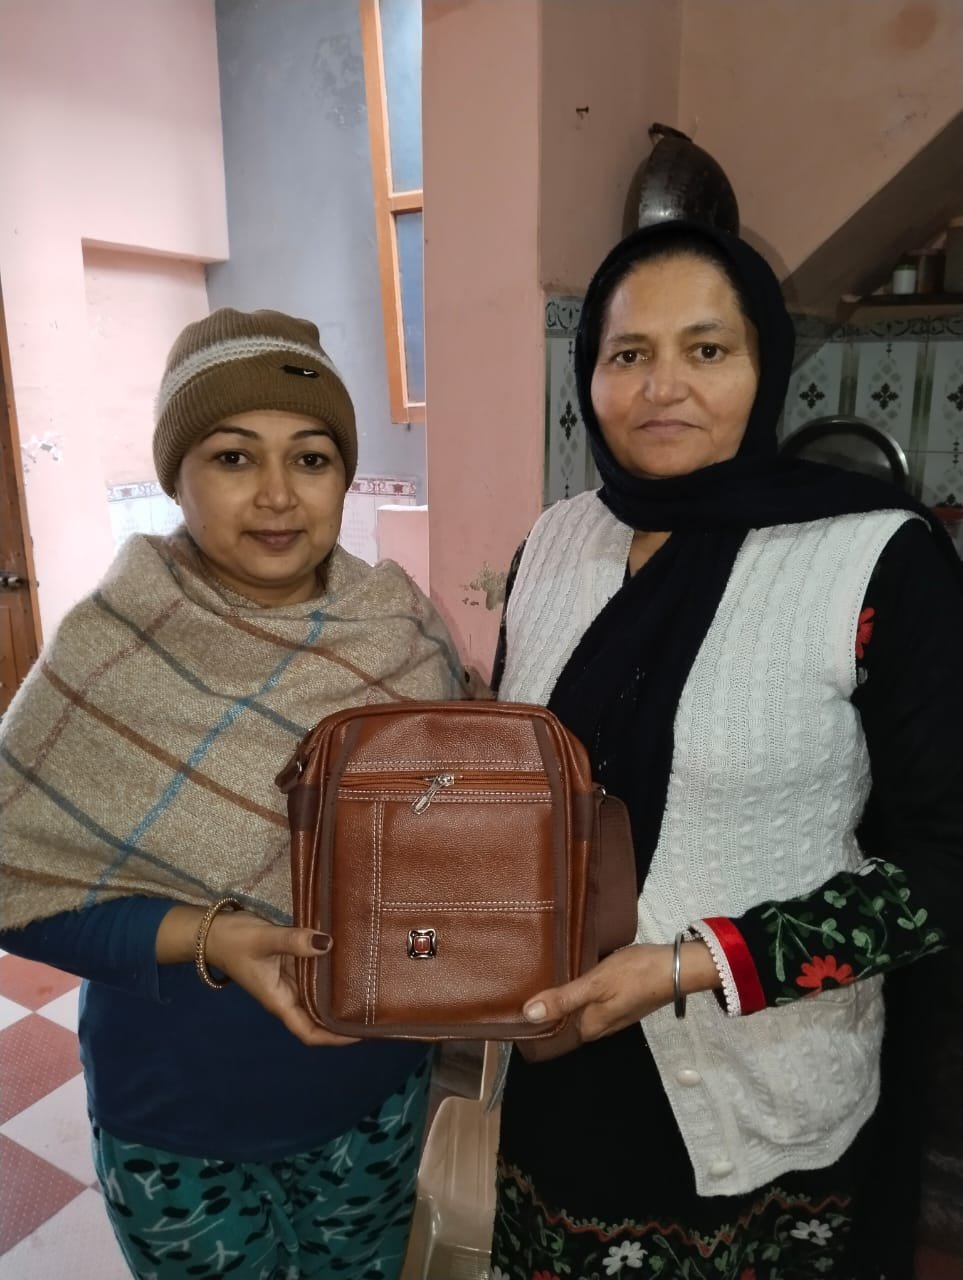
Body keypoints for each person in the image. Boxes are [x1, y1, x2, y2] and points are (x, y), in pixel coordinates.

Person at [490, 220, 963, 1280]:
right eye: (628, 353)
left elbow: (945, 864)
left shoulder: (875, 558)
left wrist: (690, 965)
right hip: (561, 1060)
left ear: (765, 365)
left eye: (706, 349)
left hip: (764, 1081)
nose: (662, 387)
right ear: (589, 373)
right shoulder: (555, 542)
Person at [0, 308, 466, 1280]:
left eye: (311, 458)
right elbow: (15, 880)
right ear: (177, 476)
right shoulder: (109, 652)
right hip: (178, 1116)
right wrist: (210, 937)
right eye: (232, 456)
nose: (277, 494)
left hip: (372, 1093)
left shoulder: (404, 637)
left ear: (342, 476)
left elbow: (446, 861)